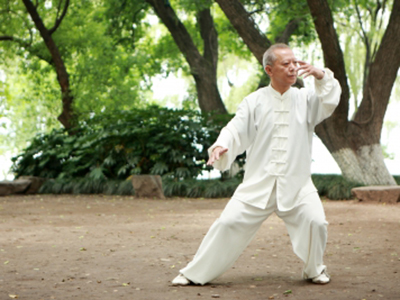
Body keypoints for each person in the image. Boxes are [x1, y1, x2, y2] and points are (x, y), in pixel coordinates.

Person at [172, 43, 341, 286]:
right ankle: (193, 273)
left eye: (295, 62)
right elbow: (235, 128)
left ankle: (314, 269)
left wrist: (320, 75)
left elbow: (330, 100)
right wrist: (221, 145)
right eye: (286, 64)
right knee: (228, 223)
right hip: (257, 184)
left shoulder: (306, 99)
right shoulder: (254, 101)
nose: (293, 68)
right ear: (269, 70)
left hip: (297, 185)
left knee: (316, 222)